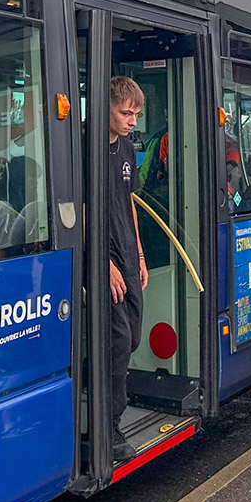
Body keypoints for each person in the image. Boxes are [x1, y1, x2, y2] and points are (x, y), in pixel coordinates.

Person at [107, 76, 149, 463]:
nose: (131, 120)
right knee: (119, 339)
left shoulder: (127, 149)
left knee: (133, 335)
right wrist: (103, 264)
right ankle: (110, 426)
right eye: (125, 112)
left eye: (135, 113)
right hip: (102, 257)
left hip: (126, 253)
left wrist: (137, 255)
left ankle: (97, 379)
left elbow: (129, 202)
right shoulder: (86, 149)